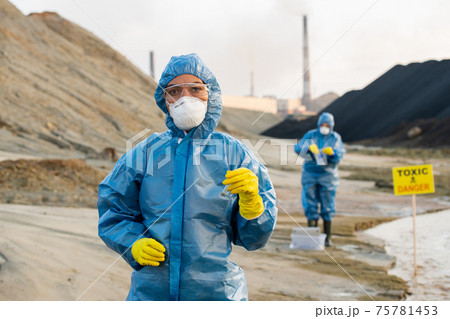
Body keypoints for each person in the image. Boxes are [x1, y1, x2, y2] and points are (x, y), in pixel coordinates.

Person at [97, 53, 278, 301]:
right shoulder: (145, 153)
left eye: (195, 89)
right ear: (164, 100)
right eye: (174, 91)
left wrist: (252, 205)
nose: (186, 98)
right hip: (152, 293)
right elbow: (114, 210)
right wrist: (133, 242)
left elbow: (254, 239)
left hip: (217, 295)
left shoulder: (235, 154)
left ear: (210, 94)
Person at [294, 112, 345, 247]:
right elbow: (297, 148)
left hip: (328, 175)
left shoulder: (335, 137)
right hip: (310, 173)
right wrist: (307, 148)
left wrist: (333, 153)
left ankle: (328, 237)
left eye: (327, 125)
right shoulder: (311, 135)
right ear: (318, 124)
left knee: (327, 204)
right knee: (310, 203)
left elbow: (340, 154)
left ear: (331, 125)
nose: (324, 127)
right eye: (322, 124)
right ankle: (312, 236)